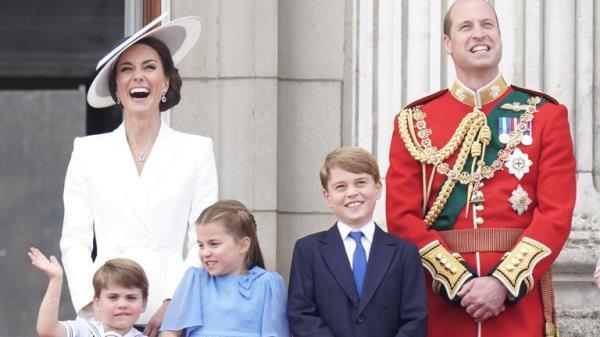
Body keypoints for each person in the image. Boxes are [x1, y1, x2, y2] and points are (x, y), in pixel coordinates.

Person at [385, 1, 576, 336]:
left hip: (517, 305)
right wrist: (457, 282)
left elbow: (556, 214)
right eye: (466, 26)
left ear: (500, 35)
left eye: (487, 24)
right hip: (442, 306)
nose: (479, 34)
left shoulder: (545, 115)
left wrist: (503, 282)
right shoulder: (414, 122)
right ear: (447, 43)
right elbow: (402, 217)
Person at [59, 14, 218, 337]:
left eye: (149, 67)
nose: (138, 77)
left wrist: (177, 302)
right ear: (115, 86)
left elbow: (203, 238)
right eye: (126, 69)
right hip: (107, 309)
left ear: (166, 81)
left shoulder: (196, 150)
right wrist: (93, 306)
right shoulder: (88, 151)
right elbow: (74, 239)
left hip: (172, 309)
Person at [287, 146, 428, 337]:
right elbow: (301, 315)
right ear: (327, 197)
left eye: (360, 183)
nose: (352, 192)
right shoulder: (308, 251)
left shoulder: (404, 252)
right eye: (341, 187)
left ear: (377, 189)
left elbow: (415, 318)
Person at [159, 200, 290, 337]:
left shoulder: (268, 284)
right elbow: (170, 332)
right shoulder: (195, 280)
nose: (205, 252)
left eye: (213, 244)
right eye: (201, 245)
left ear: (243, 245)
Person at [28, 247, 148, 337]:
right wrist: (56, 279)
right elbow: (47, 331)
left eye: (131, 297)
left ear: (143, 303)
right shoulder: (83, 329)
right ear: (97, 303)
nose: (122, 304)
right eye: (113, 297)